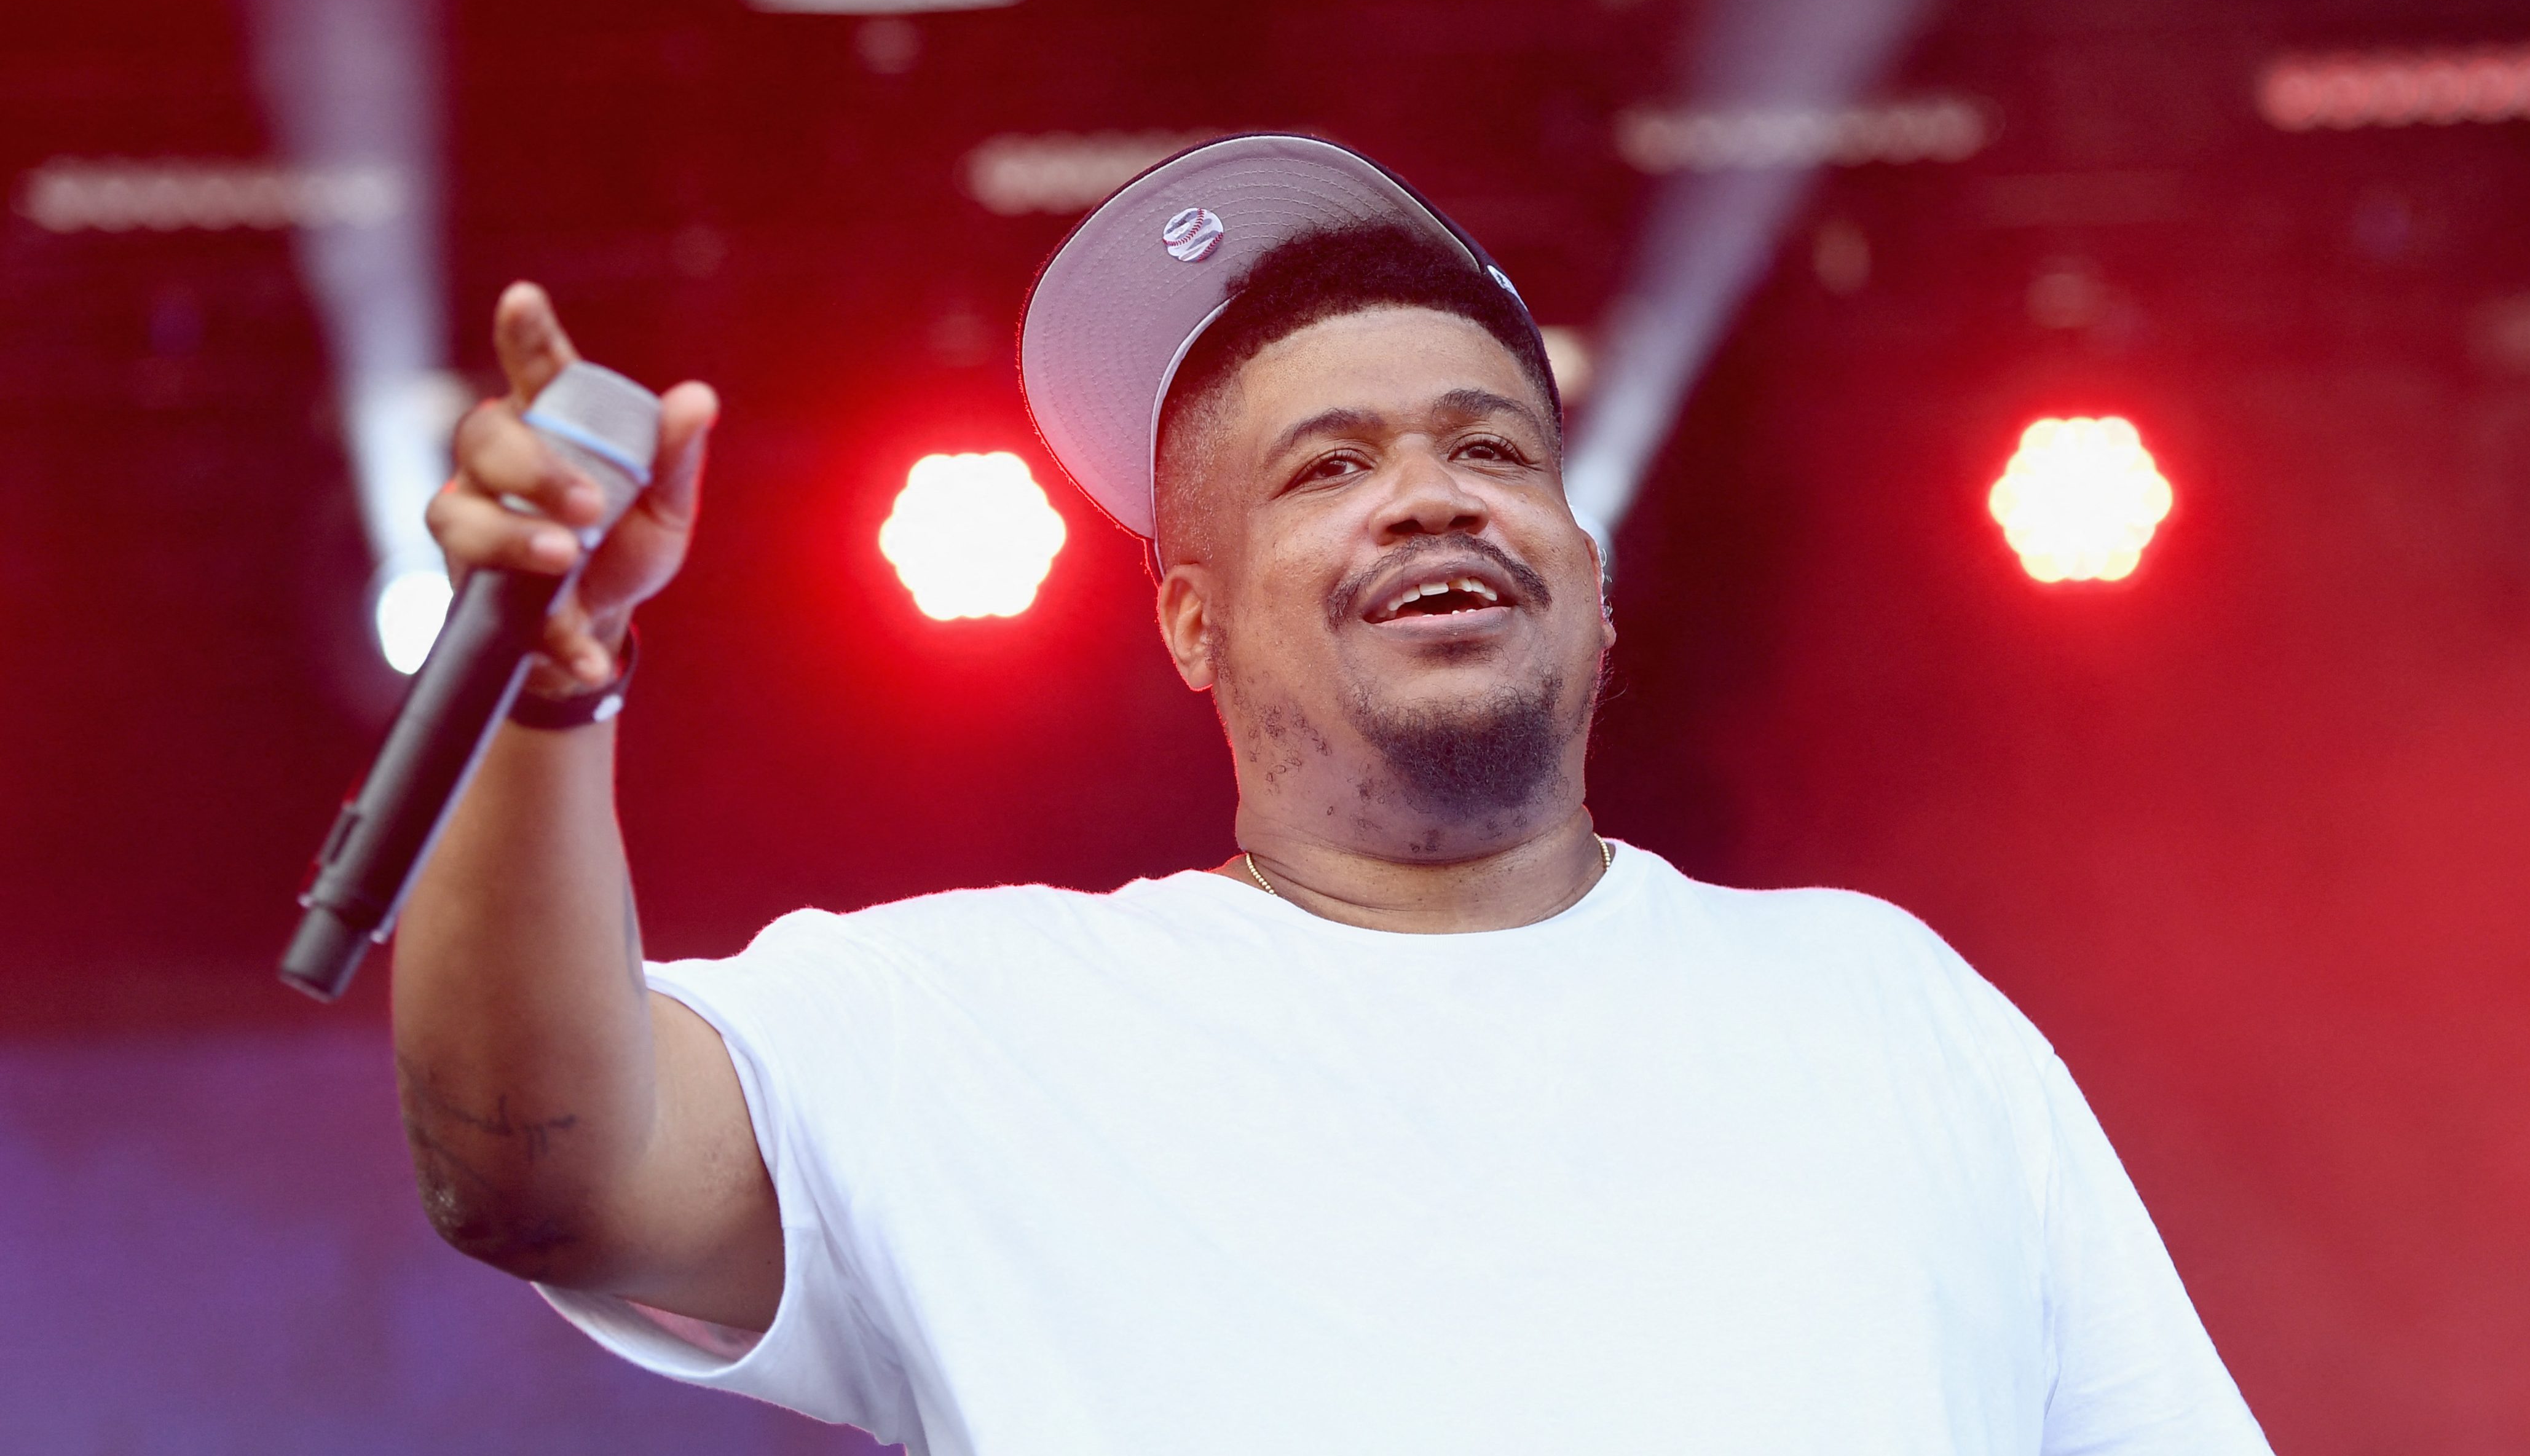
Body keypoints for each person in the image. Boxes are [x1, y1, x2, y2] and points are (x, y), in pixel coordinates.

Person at [396, 135, 2271, 1455]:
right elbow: (534, 1168)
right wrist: (548, 688)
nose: (1432, 495)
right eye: (1327, 468)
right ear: (1190, 624)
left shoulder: (1891, 1009)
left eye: (1493, 450)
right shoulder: (970, 1025)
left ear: (1595, 581)